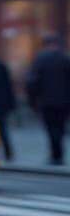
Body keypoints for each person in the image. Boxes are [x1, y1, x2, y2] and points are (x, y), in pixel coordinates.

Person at [26, 34, 70, 166]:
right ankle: (58, 153)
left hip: (47, 101)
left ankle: (55, 154)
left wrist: (33, 101)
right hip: (64, 101)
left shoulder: (40, 59)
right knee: (60, 127)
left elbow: (32, 82)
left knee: (51, 128)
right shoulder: (64, 59)